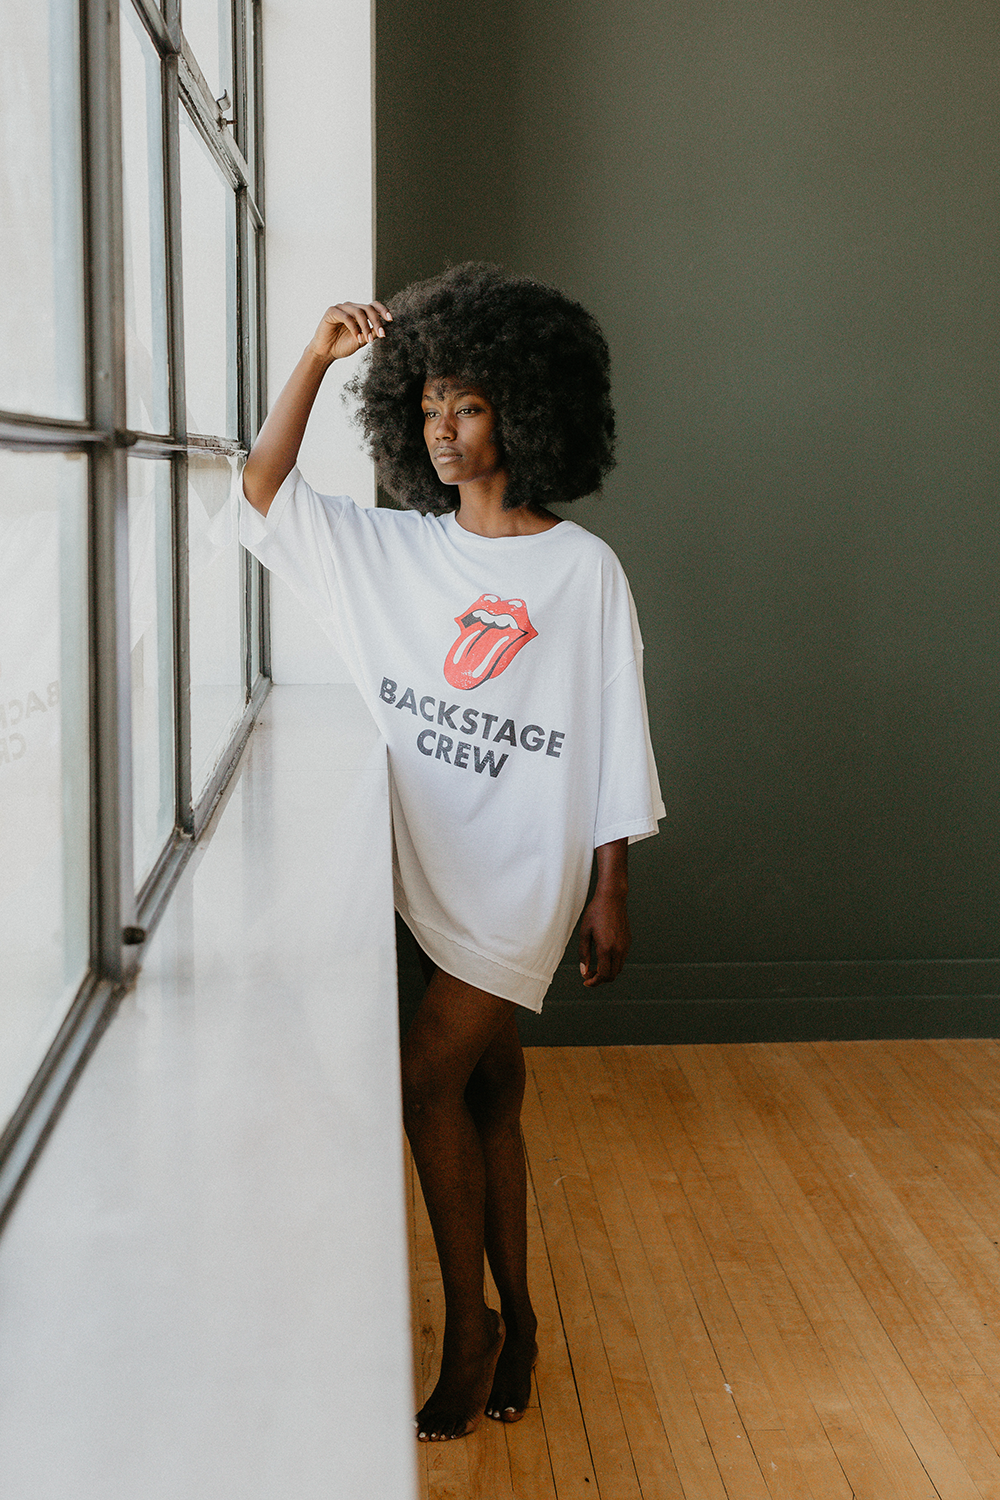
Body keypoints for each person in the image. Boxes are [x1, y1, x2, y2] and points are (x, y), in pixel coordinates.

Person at [239, 264, 664, 1442]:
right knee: (487, 1094)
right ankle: (524, 1318)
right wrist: (318, 358)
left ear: (523, 415)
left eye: (465, 406)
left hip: (526, 872)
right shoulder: (398, 552)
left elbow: (614, 722)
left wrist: (610, 883)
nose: (439, 427)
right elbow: (264, 491)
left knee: (422, 1077)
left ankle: (470, 1330)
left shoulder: (581, 572)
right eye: (425, 404)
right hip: (428, 862)